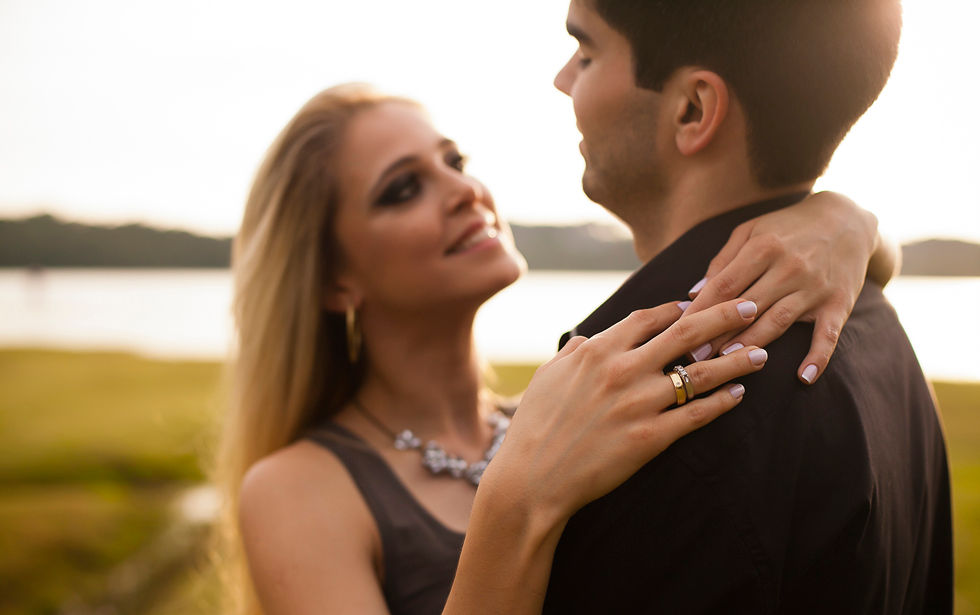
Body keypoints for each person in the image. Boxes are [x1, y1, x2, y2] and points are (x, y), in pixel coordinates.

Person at [215, 84, 894, 615]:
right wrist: (517, 503)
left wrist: (843, 220)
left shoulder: (562, 416)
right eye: (403, 189)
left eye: (453, 161)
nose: (462, 191)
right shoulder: (297, 488)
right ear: (335, 278)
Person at [536, 1, 953, 613]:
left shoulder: (637, 414)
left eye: (588, 51)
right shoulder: (873, 322)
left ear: (693, 109)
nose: (563, 78)